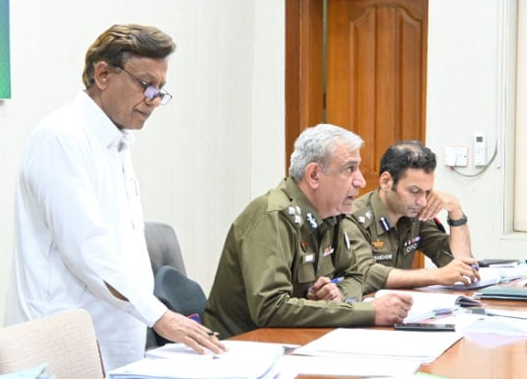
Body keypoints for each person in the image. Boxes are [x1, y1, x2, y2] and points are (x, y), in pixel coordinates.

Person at [4, 24, 225, 371]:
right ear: (103, 75)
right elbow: (88, 252)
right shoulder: (62, 137)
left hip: (116, 340)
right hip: (62, 343)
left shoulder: (116, 139)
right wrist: (159, 315)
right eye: (145, 84)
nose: (154, 99)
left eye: (160, 89)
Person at [204, 124, 414, 339]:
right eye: (350, 169)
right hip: (244, 345)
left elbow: (354, 275)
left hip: (298, 337)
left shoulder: (332, 214)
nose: (360, 181)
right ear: (314, 175)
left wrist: (338, 295)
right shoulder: (273, 217)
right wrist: (368, 312)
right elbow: (270, 308)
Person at [342, 140, 480, 294]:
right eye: (414, 191)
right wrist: (435, 276)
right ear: (386, 182)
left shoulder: (415, 214)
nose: (422, 201)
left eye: (427, 192)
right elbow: (365, 274)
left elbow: (460, 263)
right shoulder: (352, 219)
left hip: (400, 303)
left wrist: (455, 211)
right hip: (362, 306)